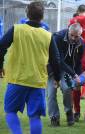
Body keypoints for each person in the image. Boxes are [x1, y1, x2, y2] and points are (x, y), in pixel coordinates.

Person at [0, 2, 60, 134]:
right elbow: (56, 59)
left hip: (17, 80)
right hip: (37, 82)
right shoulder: (48, 35)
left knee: (10, 112)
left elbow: (1, 47)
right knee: (35, 116)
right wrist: (57, 78)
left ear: (26, 13)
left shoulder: (16, 29)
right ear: (42, 16)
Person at [47, 23, 83, 126]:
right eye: (72, 35)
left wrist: (79, 75)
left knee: (67, 88)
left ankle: (69, 112)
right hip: (52, 68)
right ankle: (54, 117)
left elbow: (79, 62)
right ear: (68, 31)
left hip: (66, 70)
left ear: (80, 34)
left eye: (76, 36)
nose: (73, 38)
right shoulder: (57, 38)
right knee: (51, 93)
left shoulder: (80, 43)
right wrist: (74, 74)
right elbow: (59, 60)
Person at [72, 4, 85, 99]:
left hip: (76, 48)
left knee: (77, 69)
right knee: (84, 71)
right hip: (84, 49)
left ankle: (78, 91)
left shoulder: (74, 19)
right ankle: (83, 93)